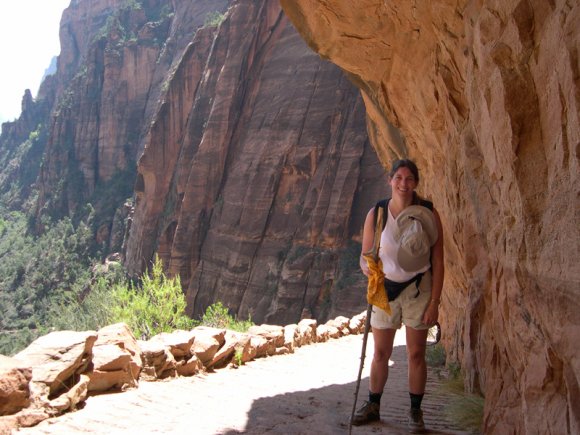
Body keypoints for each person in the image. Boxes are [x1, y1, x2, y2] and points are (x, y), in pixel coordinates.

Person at [352, 159, 444, 432]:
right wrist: (365, 267)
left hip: (419, 290)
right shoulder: (377, 213)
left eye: (410, 179)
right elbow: (365, 255)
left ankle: (415, 411)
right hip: (384, 291)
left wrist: (435, 302)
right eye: (399, 178)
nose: (404, 184)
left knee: (416, 354)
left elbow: (438, 262)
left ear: (416, 182)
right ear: (390, 180)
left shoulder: (428, 213)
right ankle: (373, 404)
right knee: (380, 352)